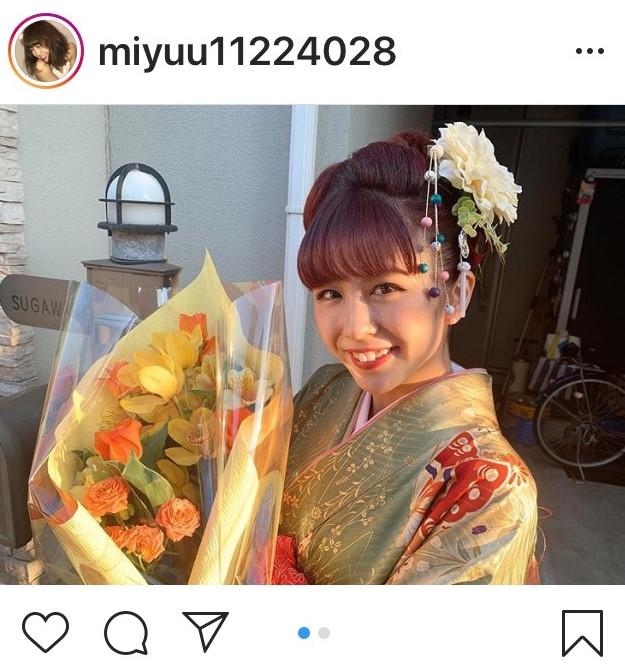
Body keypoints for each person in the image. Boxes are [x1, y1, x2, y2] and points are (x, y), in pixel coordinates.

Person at [276, 123, 538, 585]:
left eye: (385, 288)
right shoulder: (326, 388)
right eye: (329, 293)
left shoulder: (491, 483)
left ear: (456, 293)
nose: (355, 329)